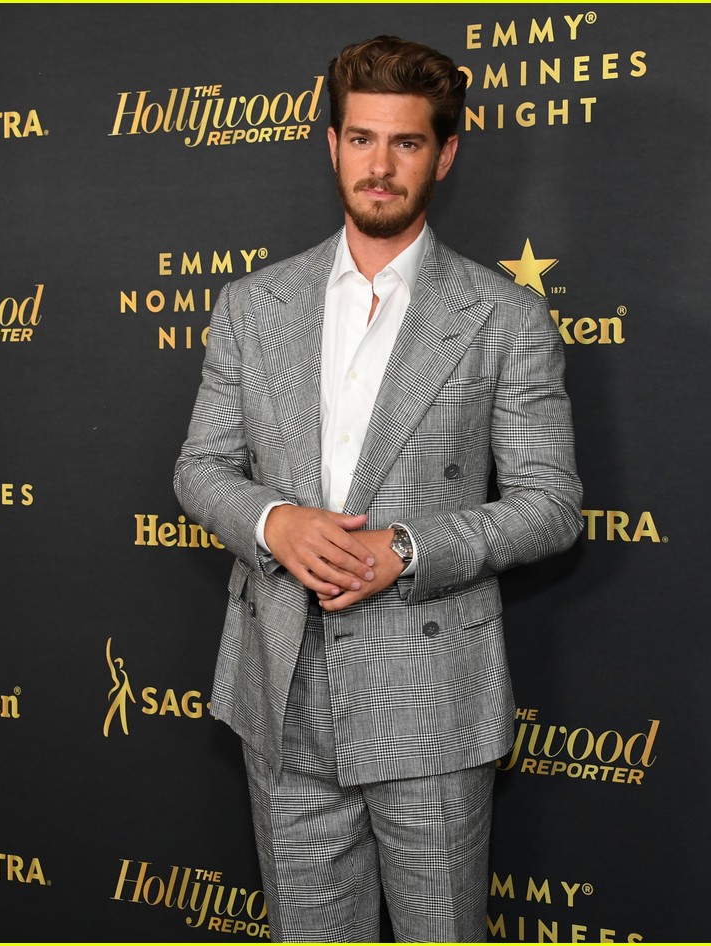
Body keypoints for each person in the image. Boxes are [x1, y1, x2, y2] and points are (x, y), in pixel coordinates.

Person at [174, 35, 582, 943]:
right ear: (332, 145)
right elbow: (200, 468)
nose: (381, 166)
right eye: (361, 139)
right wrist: (274, 522)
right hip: (279, 691)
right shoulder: (252, 305)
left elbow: (551, 501)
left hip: (429, 694)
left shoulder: (503, 315)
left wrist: (406, 550)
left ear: (445, 152)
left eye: (405, 143)